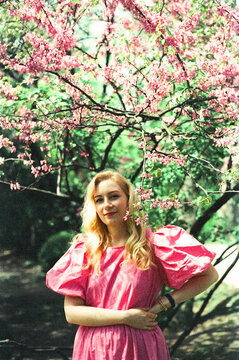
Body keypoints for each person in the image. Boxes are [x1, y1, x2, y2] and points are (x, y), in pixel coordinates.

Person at [46, 170, 219, 360]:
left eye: (114, 196)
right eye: (99, 199)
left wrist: (163, 304)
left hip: (141, 345)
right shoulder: (84, 251)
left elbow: (209, 275)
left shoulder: (154, 244)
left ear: (129, 199)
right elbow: (72, 313)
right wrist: (126, 318)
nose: (107, 205)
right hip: (95, 348)